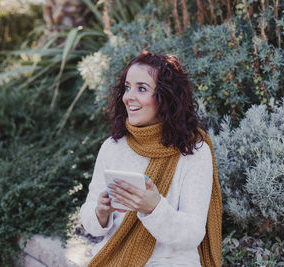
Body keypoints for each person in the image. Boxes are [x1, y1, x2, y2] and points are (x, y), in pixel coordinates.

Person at [79, 51, 222, 267]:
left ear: (166, 98)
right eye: (127, 87)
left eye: (142, 89)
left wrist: (154, 209)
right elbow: (90, 219)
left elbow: (193, 234)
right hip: (115, 258)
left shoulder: (194, 151)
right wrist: (100, 212)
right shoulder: (113, 147)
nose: (129, 97)